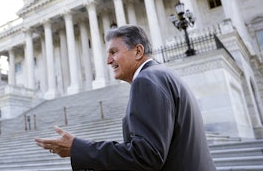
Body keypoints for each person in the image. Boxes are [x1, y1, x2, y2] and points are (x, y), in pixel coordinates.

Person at [35, 25, 216, 170]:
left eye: (113, 52)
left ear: (138, 51)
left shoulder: (146, 80)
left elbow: (147, 156)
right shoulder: (161, 74)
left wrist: (78, 148)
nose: (108, 61)